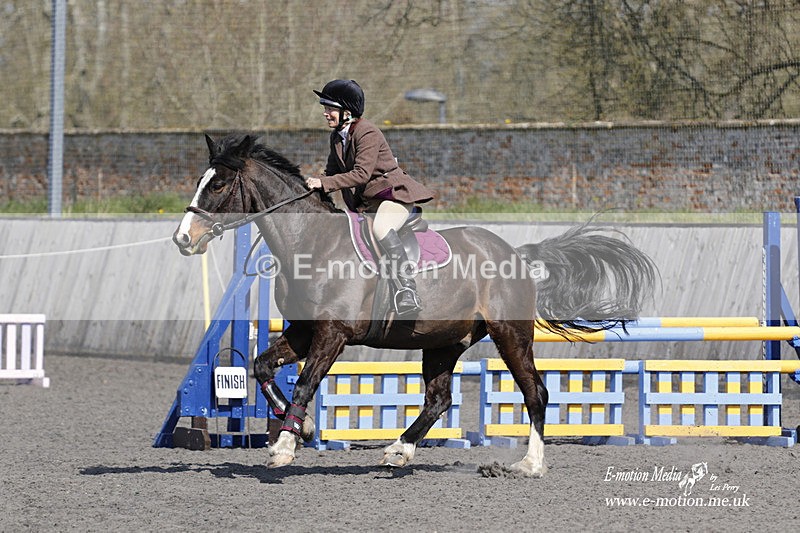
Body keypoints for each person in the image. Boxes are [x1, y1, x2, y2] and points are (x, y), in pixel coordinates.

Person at [305, 79, 434, 316]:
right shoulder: (337, 137)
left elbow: (361, 174)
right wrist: (311, 188)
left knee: (381, 229)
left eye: (330, 108)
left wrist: (325, 183)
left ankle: (407, 289)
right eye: (325, 107)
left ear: (347, 111)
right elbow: (332, 174)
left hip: (393, 198)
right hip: (366, 205)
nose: (325, 113)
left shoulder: (368, 133)